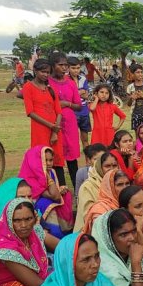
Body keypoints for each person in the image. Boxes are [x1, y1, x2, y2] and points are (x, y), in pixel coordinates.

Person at [22, 59, 65, 183]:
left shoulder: (50, 89)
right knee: (41, 159)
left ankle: (61, 187)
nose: (46, 75)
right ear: (35, 70)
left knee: (57, 161)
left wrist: (55, 131)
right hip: (40, 130)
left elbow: (59, 112)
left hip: (55, 130)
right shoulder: (28, 87)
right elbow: (30, 112)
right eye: (43, 72)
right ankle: (43, 187)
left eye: (48, 72)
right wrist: (52, 127)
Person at [18, 145, 73, 238]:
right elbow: (54, 196)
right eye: (45, 160)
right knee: (46, 203)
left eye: (50, 160)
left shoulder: (51, 171)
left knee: (67, 195)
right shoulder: (29, 177)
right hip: (34, 205)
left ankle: (64, 230)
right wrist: (46, 176)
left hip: (49, 199)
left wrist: (61, 189)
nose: (48, 163)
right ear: (36, 162)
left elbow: (55, 193)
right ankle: (53, 235)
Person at [47, 53, 82, 186]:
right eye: (60, 65)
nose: (64, 68)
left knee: (72, 158)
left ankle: (77, 189)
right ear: (52, 66)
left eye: (65, 65)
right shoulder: (47, 82)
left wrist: (66, 104)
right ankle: (61, 188)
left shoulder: (71, 83)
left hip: (70, 123)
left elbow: (78, 105)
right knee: (57, 157)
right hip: (53, 123)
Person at [74, 151, 119, 232]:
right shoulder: (87, 187)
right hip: (91, 231)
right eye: (107, 166)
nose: (112, 169)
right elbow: (88, 216)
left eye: (115, 165)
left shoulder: (119, 183)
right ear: (99, 168)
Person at [82, 169, 130, 234]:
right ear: (110, 187)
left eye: (127, 183)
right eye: (120, 184)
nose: (125, 187)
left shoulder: (129, 203)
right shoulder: (99, 211)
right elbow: (101, 237)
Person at [68, 57, 91, 149]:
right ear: (68, 68)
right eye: (73, 68)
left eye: (78, 68)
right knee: (72, 139)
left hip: (84, 111)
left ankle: (88, 161)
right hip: (71, 112)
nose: (76, 70)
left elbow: (86, 96)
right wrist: (80, 92)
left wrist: (76, 93)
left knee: (85, 139)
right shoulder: (65, 80)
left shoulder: (83, 78)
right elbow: (68, 97)